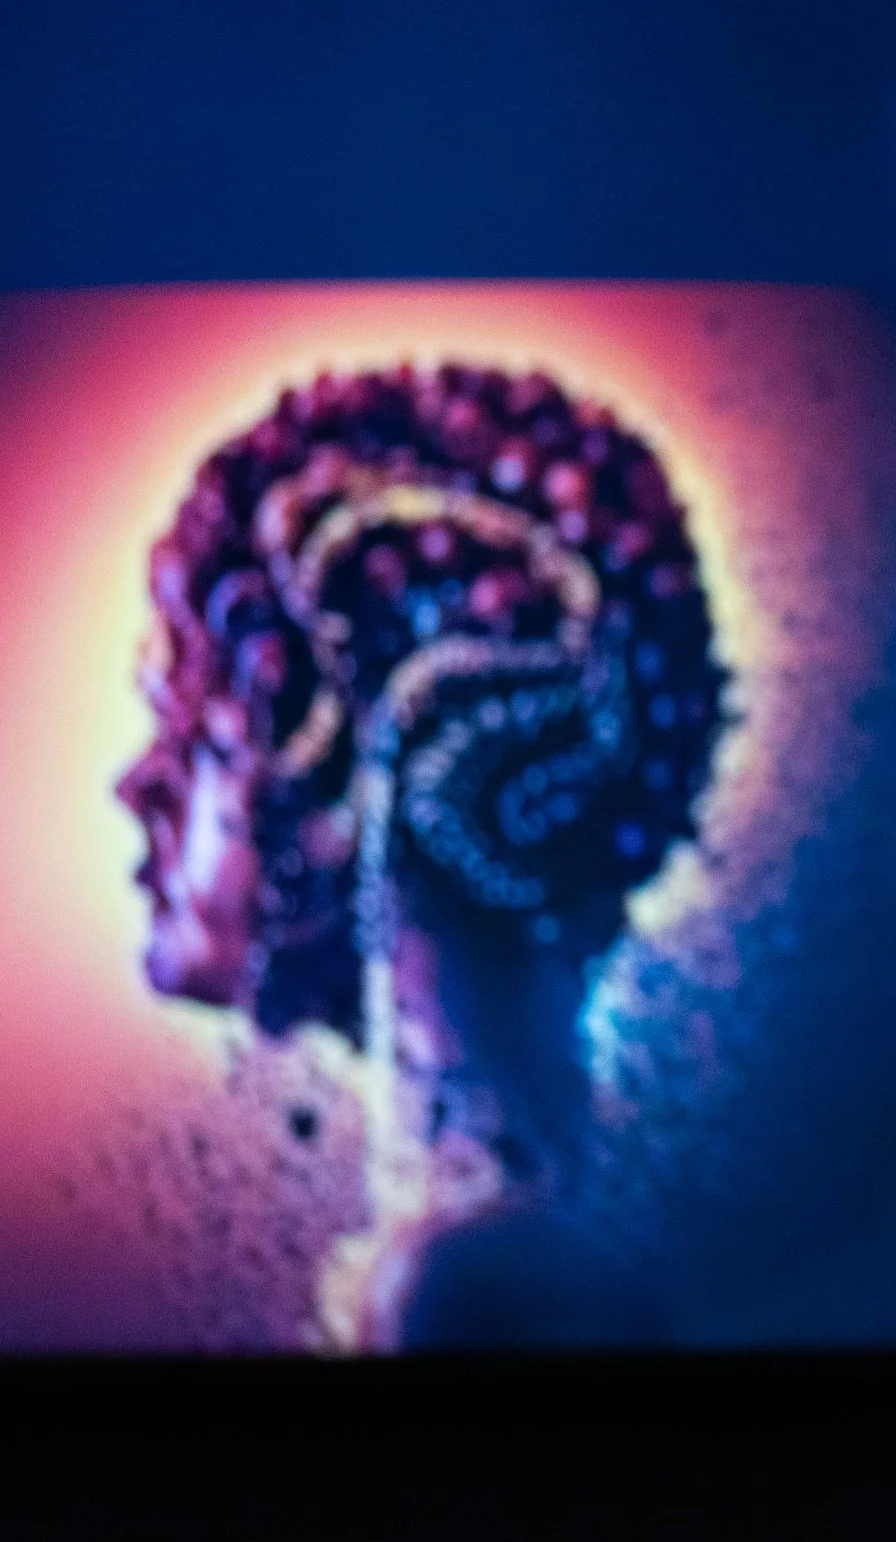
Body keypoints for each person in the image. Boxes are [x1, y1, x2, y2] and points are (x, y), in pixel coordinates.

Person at [115, 362, 724, 1347]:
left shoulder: (468, 1293)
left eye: (189, 725)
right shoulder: (511, 1248)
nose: (136, 781)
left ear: (341, 777)